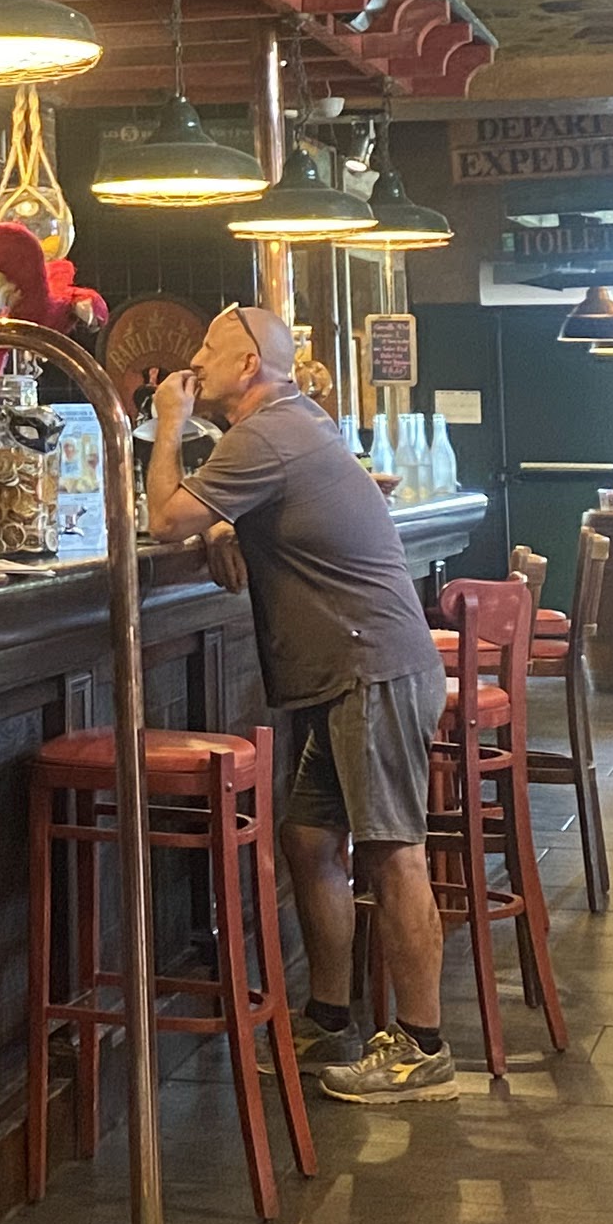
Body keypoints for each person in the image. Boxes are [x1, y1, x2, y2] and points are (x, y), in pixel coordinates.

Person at [149, 304, 461, 1104]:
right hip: (356, 669)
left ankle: (423, 1048)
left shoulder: (264, 432)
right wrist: (226, 530)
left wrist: (168, 422)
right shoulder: (292, 424)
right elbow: (234, 513)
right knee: (310, 839)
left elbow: (163, 517)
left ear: (248, 365)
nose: (195, 362)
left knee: (392, 850)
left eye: (209, 349)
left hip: (371, 667)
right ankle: (330, 1021)